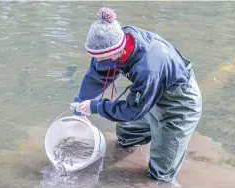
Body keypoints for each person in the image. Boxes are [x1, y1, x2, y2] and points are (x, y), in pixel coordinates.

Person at [73, 7, 202, 183]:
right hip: (150, 95)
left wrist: (96, 106)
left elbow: (132, 110)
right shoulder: (118, 40)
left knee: (159, 177)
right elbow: (97, 74)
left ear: (116, 52)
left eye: (101, 58)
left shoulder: (148, 67)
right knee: (126, 135)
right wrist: (80, 105)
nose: (98, 61)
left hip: (179, 106)